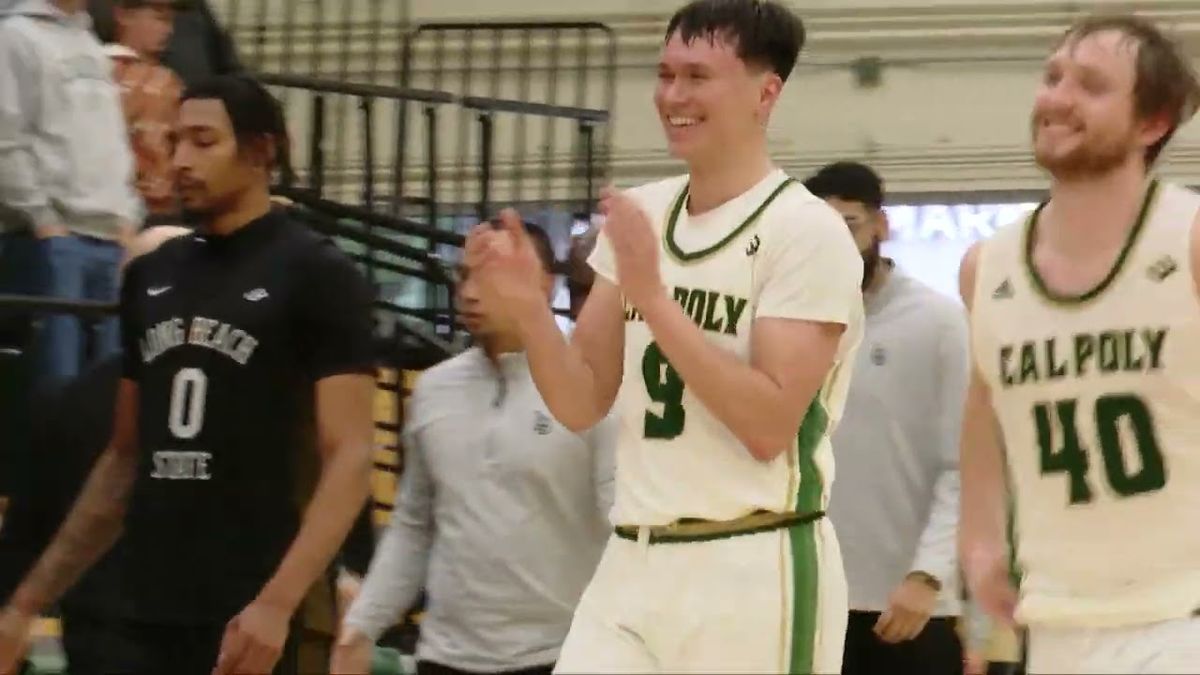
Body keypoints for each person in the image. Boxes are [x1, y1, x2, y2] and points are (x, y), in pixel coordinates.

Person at [467, 1, 864, 671]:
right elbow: (581, 401)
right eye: (665, 73)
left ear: (766, 92)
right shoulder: (645, 213)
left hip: (755, 559)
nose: (672, 95)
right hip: (633, 554)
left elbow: (767, 424)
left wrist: (652, 297)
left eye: (697, 76)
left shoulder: (807, 232)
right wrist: (531, 310)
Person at [0, 74, 377, 675]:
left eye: (203, 142)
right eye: (174, 142)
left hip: (253, 615)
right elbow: (123, 462)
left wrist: (277, 604)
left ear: (260, 152)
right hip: (145, 611)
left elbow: (352, 457)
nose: (179, 161)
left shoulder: (316, 272)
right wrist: (24, 604)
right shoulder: (152, 276)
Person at [959, 14, 1200, 675]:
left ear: (1153, 123)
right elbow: (986, 419)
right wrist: (979, 547)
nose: (1057, 98)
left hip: (1181, 616)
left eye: (1090, 85)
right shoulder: (988, 266)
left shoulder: (1189, 240)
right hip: (1057, 620)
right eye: (1052, 77)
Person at [330, 221, 616, 675]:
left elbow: (624, 534)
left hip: (560, 656)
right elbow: (414, 525)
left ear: (545, 283)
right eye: (465, 275)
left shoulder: (595, 388)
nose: (470, 292)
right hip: (445, 658)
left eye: (492, 273)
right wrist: (362, 626)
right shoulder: (434, 389)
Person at [805, 162, 968, 675]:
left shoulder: (938, 321)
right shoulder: (791, 323)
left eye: (849, 226)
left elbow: (965, 463)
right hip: (812, 604)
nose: (837, 244)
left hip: (911, 607)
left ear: (881, 226)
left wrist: (929, 574)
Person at [0, 0, 143, 386]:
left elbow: (110, 137)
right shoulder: (14, 35)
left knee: (110, 383)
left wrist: (127, 214)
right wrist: (43, 220)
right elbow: (6, 138)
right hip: (53, 238)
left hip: (110, 235)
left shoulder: (86, 37)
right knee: (57, 380)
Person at [105, 0, 186, 225]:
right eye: (159, 18)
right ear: (123, 14)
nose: (168, 30)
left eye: (170, 21)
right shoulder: (163, 82)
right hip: (150, 205)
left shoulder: (90, 68)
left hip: (103, 203)